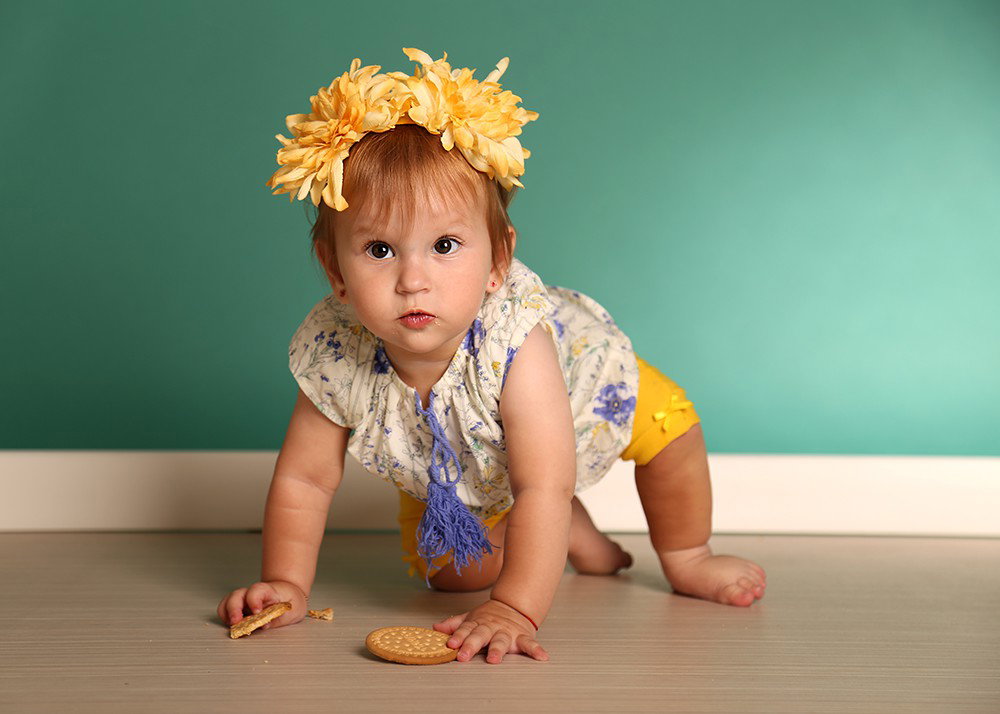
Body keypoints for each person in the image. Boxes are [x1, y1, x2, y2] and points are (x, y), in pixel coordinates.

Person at [218, 47, 766, 665]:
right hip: (456, 467)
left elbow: (541, 482)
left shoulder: (516, 341)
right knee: (452, 578)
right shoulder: (335, 354)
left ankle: (688, 555)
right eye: (378, 250)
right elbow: (305, 479)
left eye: (445, 245)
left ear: (497, 260)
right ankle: (567, 534)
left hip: (581, 393)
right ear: (333, 269)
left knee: (671, 439)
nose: (412, 280)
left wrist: (515, 607)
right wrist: (287, 584)